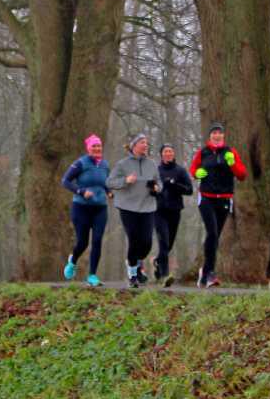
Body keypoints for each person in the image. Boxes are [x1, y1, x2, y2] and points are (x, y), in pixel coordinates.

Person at [190, 123, 247, 288]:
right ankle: (210, 273)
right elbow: (193, 169)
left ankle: (205, 272)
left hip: (224, 198)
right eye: (214, 133)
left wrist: (232, 163)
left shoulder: (230, 152)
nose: (217, 136)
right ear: (210, 136)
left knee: (214, 237)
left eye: (219, 133)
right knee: (212, 233)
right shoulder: (203, 152)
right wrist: (196, 173)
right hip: (206, 198)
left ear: (223, 136)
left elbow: (242, 175)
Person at [105, 133, 160, 288]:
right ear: (134, 146)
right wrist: (126, 181)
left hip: (148, 206)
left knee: (147, 242)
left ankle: (135, 263)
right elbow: (109, 182)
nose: (145, 145)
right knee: (134, 240)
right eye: (142, 142)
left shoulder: (152, 164)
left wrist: (157, 187)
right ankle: (132, 275)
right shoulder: (123, 164)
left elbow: (159, 181)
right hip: (128, 207)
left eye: (147, 143)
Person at [60, 134, 110, 287]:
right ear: (88, 148)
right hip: (81, 207)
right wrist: (81, 192)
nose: (97, 149)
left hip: (100, 208)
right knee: (83, 242)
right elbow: (65, 181)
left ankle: (92, 275)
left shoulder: (105, 165)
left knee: (97, 240)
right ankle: (73, 261)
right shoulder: (80, 163)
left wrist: (109, 192)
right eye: (94, 146)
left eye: (99, 146)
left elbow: (104, 182)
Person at [154, 144, 193, 286]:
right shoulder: (156, 170)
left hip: (175, 210)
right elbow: (149, 188)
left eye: (171, 151)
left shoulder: (180, 171)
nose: (168, 153)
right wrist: (155, 189)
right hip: (158, 210)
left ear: (174, 154)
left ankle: (158, 262)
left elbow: (189, 190)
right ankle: (164, 275)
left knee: (168, 244)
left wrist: (174, 185)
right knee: (163, 241)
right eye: (166, 151)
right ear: (161, 154)